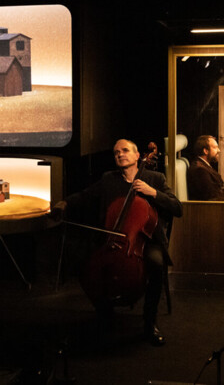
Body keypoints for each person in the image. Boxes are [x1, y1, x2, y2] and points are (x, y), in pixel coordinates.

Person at [51, 139, 182, 346]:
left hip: (146, 241)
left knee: (156, 264)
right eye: (116, 152)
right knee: (82, 263)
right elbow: (85, 196)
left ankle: (149, 322)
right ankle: (104, 313)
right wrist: (64, 202)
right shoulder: (108, 180)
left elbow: (177, 208)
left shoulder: (155, 178)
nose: (120, 154)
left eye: (125, 150)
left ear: (138, 155)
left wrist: (153, 192)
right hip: (114, 239)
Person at [187, 135, 224, 201]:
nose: (219, 150)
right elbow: (213, 198)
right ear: (206, 151)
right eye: (215, 147)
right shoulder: (200, 170)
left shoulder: (204, 165)